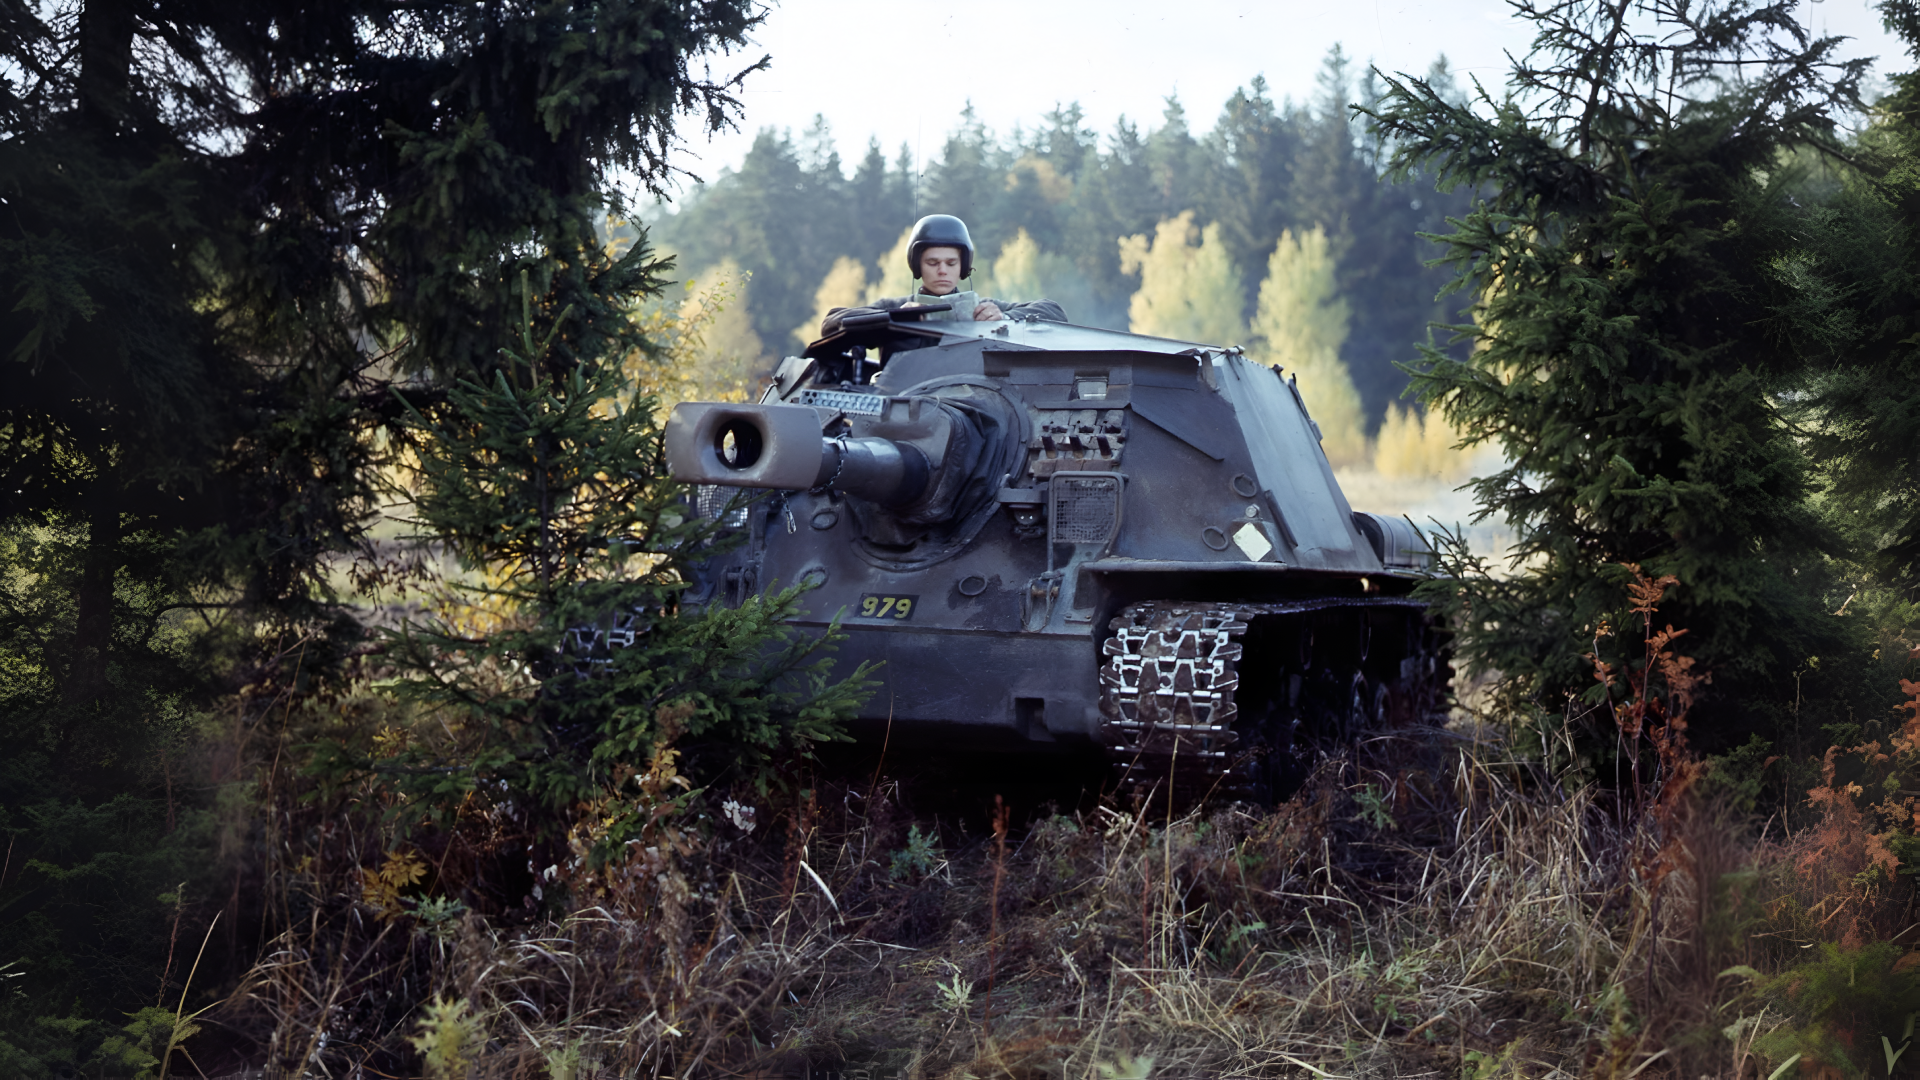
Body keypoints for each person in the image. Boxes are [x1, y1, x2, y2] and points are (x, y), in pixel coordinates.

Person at [818, 215, 1066, 344]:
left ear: (963, 267)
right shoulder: (895, 308)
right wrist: (893, 318)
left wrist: (1006, 317)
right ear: (917, 265)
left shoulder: (983, 309)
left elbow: (1053, 312)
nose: (942, 271)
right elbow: (831, 322)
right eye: (932, 263)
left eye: (951, 263)